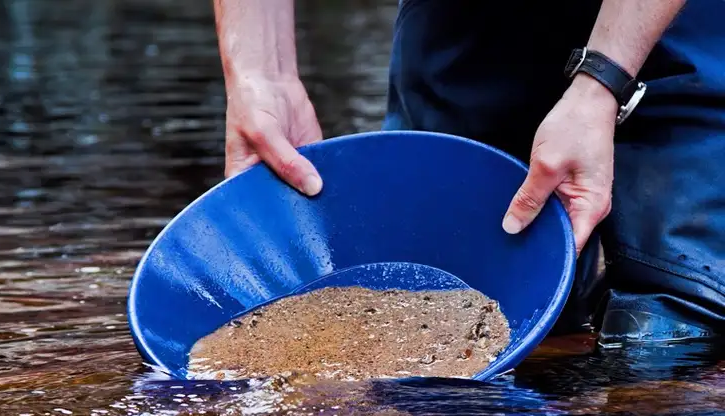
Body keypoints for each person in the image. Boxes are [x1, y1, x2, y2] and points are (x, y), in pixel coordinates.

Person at [212, 0, 724, 347]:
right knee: (440, 308)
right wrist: (262, 74)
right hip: (462, 25)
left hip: (676, 29)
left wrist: (601, 85)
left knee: (665, 333)